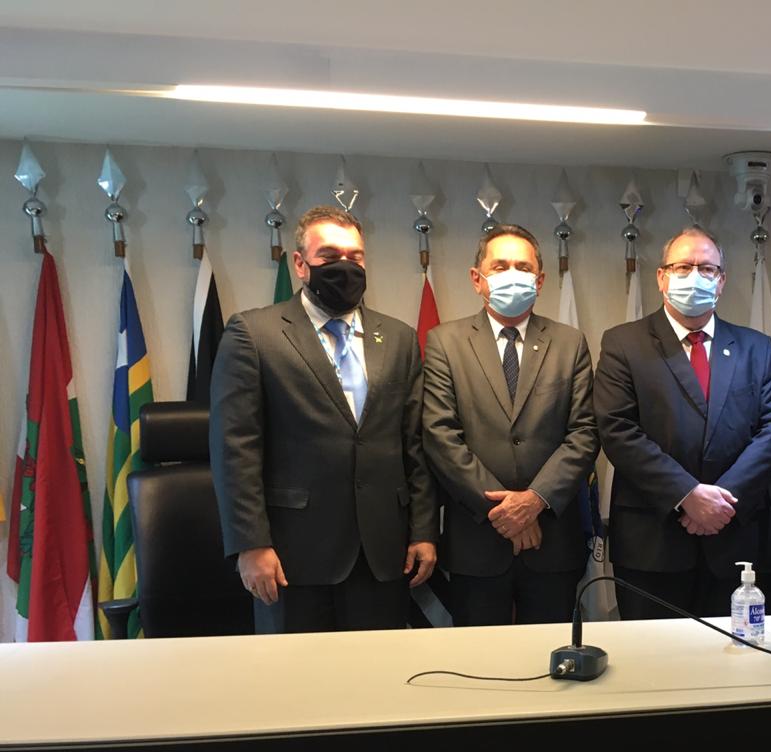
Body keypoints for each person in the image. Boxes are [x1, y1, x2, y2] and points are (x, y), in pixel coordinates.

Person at [210, 205, 438, 633]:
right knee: (297, 673)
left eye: (355, 257)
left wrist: (424, 530)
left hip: (382, 553)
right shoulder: (253, 334)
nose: (345, 266)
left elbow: (415, 444)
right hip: (291, 555)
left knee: (379, 670)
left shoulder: (399, 339)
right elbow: (234, 449)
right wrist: (250, 544)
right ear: (300, 264)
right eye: (330, 256)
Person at [594, 226, 771, 619]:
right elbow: (618, 430)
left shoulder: (756, 347)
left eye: (707, 268)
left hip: (734, 537)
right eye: (683, 267)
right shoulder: (623, 343)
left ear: (721, 281)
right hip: (652, 541)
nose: (695, 276)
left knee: (733, 654)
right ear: (661, 277)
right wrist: (687, 496)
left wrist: (721, 501)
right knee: (651, 655)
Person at [422, 224, 598, 625]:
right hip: (477, 543)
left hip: (552, 541)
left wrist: (534, 501)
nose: (512, 274)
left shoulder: (570, 343)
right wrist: (505, 512)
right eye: (500, 266)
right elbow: (440, 435)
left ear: (540, 280)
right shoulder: (445, 342)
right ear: (477, 279)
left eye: (523, 267)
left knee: (551, 654)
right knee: (479, 657)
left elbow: (584, 434)